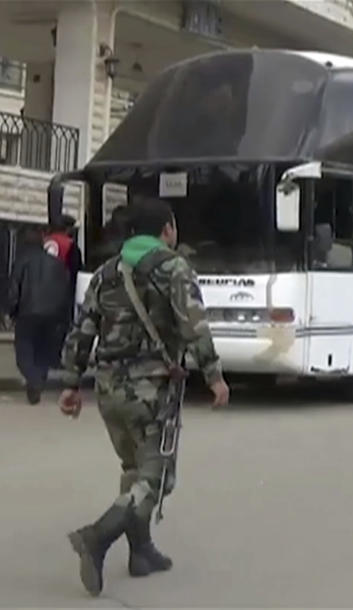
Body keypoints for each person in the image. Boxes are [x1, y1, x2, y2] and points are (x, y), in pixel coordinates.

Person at [59, 197, 230, 597]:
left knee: (133, 469)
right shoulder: (174, 268)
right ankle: (97, 538)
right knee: (156, 478)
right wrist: (214, 376)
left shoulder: (105, 273)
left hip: (108, 389)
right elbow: (194, 326)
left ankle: (142, 551)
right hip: (151, 389)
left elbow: (83, 329)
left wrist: (70, 382)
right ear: (167, 229)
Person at [8, 226, 69, 404]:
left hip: (28, 312)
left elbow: (14, 289)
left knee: (24, 350)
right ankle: (38, 381)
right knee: (43, 351)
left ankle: (34, 380)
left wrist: (12, 311)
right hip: (53, 314)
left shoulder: (22, 261)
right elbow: (65, 290)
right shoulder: (57, 263)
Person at [44, 215, 82, 363]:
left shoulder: (45, 241)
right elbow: (75, 268)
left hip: (42, 288)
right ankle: (55, 357)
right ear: (68, 228)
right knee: (60, 325)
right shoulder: (70, 244)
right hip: (61, 289)